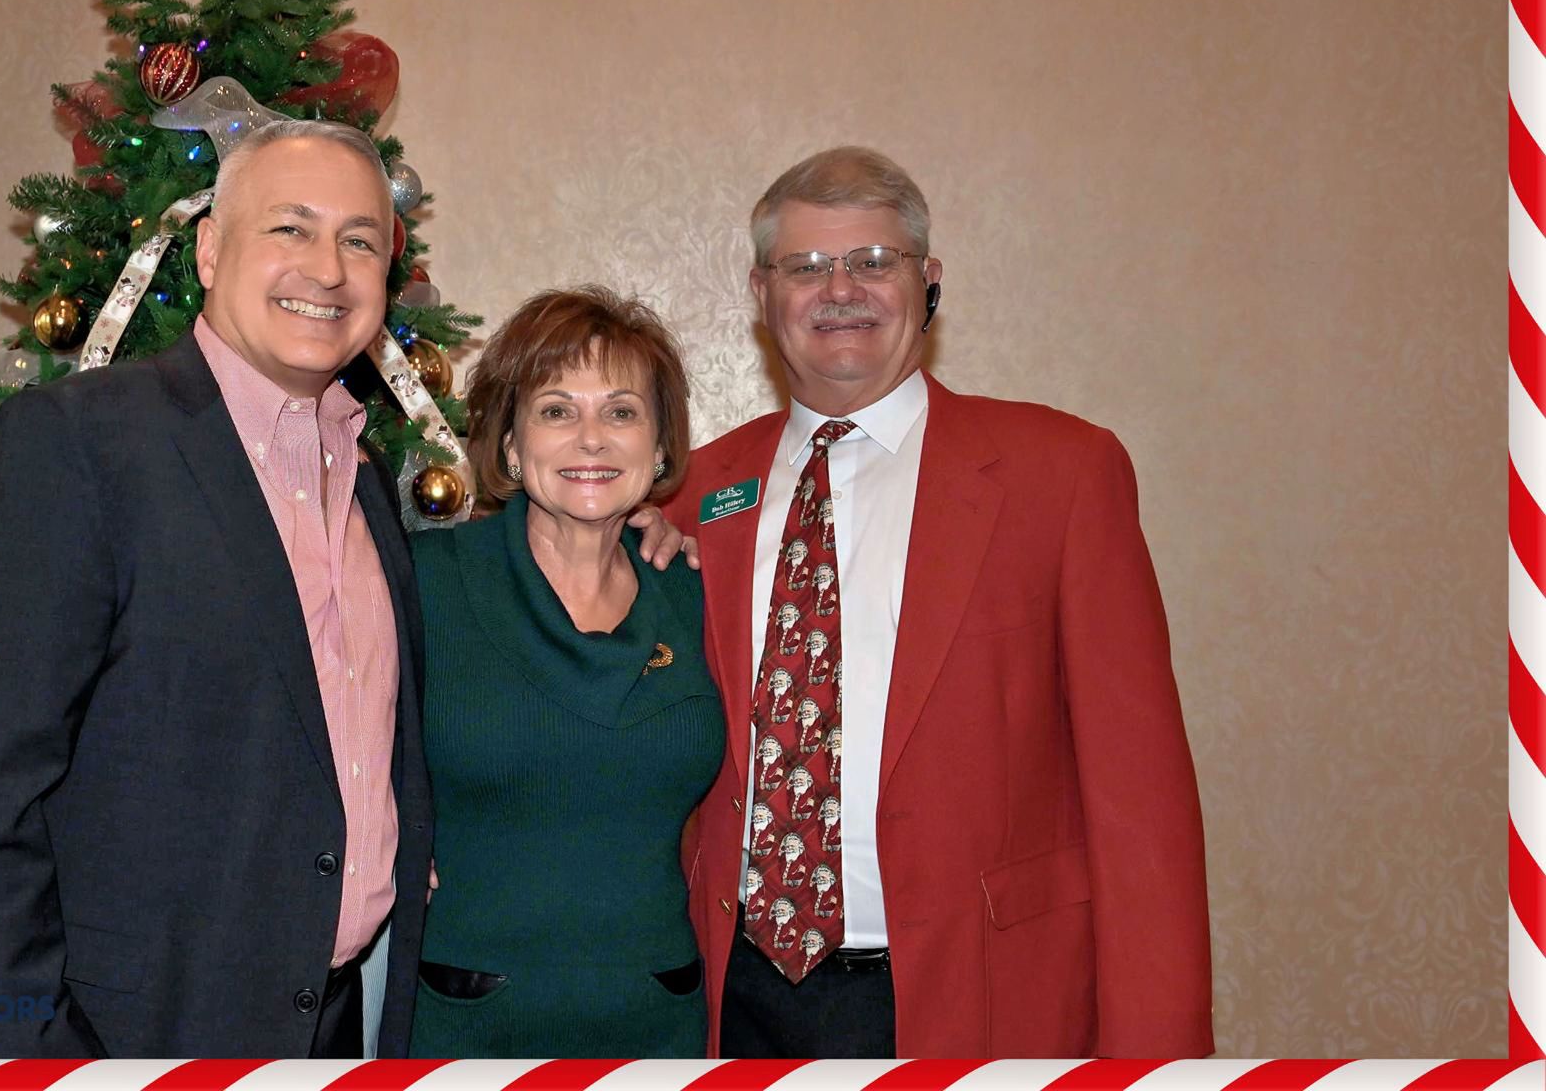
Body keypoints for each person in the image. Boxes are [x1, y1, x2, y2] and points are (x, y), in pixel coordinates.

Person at [664, 146, 1211, 1058]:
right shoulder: (691, 495)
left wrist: (1158, 1055)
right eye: (806, 266)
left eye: (874, 261)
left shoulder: (1061, 475)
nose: (841, 289)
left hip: (982, 1002)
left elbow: (1141, 802)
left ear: (928, 281)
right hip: (736, 1002)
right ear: (762, 294)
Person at [0, 119, 434, 1059]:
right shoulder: (75, 444)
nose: (327, 268)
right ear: (209, 250)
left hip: (329, 1029)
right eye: (291, 227)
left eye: (360, 241)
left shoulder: (366, 484)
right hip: (120, 1042)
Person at [407, 287, 724, 1058]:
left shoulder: (695, 590)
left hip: (657, 1026)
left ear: (659, 448)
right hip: (464, 1027)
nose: (591, 439)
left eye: (621, 412)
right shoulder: (424, 581)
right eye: (556, 410)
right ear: (511, 446)